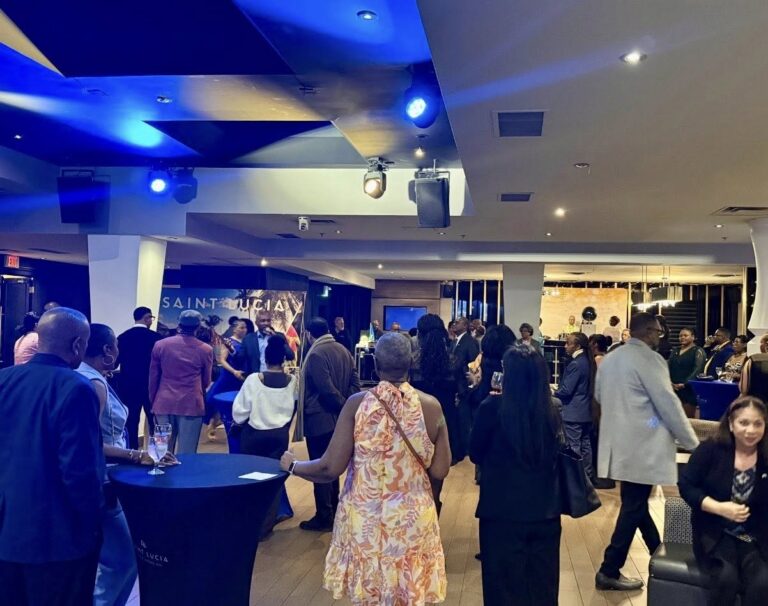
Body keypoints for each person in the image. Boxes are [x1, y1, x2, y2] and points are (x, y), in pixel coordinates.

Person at [281, 332, 450, 605]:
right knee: (409, 591)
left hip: (366, 522)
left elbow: (329, 467)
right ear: (411, 362)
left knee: (370, 594)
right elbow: (440, 470)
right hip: (413, 520)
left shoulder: (357, 404)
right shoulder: (432, 407)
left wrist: (292, 465)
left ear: (375, 364)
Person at [0, 307, 104, 606]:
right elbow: (79, 471)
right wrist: (93, 522)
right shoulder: (76, 388)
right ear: (78, 345)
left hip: (7, 533)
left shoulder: (4, 379)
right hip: (57, 539)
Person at [594, 312, 699, 591]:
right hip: (644, 446)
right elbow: (669, 405)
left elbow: (599, 396)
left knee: (635, 504)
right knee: (633, 506)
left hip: (618, 444)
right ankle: (609, 569)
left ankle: (658, 554)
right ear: (649, 331)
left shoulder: (611, 358)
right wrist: (693, 444)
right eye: (657, 332)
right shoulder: (651, 360)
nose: (659, 337)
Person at [77, 323, 177, 606]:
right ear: (107, 350)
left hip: (96, 479)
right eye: (116, 346)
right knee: (122, 560)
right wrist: (136, 456)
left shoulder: (85, 375)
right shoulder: (94, 384)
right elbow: (87, 443)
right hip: (103, 480)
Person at [470, 345, 562, 605]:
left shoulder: (492, 407)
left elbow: (475, 452)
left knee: (502, 589)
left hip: (500, 511)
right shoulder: (552, 410)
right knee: (542, 588)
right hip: (545, 511)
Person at [678, 396, 768, 606]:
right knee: (726, 578)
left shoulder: (765, 455)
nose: (751, 430)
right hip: (714, 533)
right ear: (731, 424)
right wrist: (718, 507)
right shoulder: (711, 449)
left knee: (762, 582)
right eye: (744, 423)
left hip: (754, 536)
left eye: (758, 424)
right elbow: (686, 485)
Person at [296, 317, 361, 532]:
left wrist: (343, 407)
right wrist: (347, 407)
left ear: (308, 334)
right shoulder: (344, 350)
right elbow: (355, 383)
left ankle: (324, 516)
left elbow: (326, 390)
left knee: (321, 468)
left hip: (320, 419)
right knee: (333, 467)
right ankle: (334, 511)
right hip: (338, 420)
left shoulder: (315, 354)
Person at [233, 336, 297, 537]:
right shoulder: (292, 381)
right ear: (283, 359)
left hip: (253, 435)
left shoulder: (254, 380)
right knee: (273, 481)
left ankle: (248, 523)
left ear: (265, 358)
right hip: (279, 436)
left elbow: (239, 413)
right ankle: (265, 527)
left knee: (250, 479)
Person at [149, 310, 213, 454]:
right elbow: (206, 380)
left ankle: (162, 469)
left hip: (163, 402)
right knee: (187, 452)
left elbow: (153, 377)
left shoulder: (160, 345)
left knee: (162, 451)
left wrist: (153, 400)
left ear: (179, 324)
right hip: (191, 404)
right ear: (198, 327)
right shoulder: (206, 349)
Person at [410, 314, 458, 488]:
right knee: (438, 476)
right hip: (444, 422)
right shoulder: (453, 361)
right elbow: (460, 392)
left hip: (417, 422)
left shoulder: (412, 362)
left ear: (420, 335)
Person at [116, 306, 162, 449]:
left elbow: (115, 363)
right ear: (147, 318)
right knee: (155, 423)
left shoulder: (122, 337)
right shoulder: (157, 339)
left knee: (131, 422)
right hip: (152, 386)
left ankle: (133, 453)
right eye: (151, 318)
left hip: (128, 386)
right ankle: (157, 453)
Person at [555, 332, 595, 480]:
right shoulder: (588, 361)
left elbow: (566, 390)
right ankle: (586, 476)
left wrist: (553, 392)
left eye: (568, 343)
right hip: (586, 410)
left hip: (573, 411)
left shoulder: (576, 364)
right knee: (585, 444)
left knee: (574, 445)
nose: (565, 346)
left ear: (577, 346)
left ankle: (575, 478)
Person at [204, 319, 247, 440]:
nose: (244, 330)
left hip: (241, 376)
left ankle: (224, 426)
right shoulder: (228, 342)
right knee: (218, 401)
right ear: (234, 329)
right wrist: (234, 371)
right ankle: (213, 425)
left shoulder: (246, 342)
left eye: (245, 327)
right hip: (229, 376)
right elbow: (222, 360)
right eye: (241, 327)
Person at [451, 316, 480, 462]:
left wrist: (470, 383)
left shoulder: (470, 341)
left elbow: (473, 364)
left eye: (458, 322)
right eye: (454, 322)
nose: (454, 324)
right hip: (455, 384)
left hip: (464, 386)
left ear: (466, 326)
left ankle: (465, 447)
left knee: (464, 418)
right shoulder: (455, 341)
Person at [237, 310, 295, 375]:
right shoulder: (248, 339)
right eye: (263, 321)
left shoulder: (279, 336)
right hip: (256, 377)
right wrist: (232, 350)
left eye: (268, 320)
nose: (266, 323)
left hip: (275, 376)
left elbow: (290, 356)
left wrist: (276, 338)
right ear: (256, 323)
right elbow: (240, 358)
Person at [668, 326, 707, 418]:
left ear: (693, 337)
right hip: (673, 389)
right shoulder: (675, 350)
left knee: (686, 419)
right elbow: (668, 367)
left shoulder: (698, 351)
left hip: (688, 390)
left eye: (685, 335)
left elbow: (698, 369)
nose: (682, 337)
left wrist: (685, 383)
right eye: (680, 336)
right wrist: (670, 382)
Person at [740, 334, 768, 399]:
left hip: (757, 402)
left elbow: (744, 389)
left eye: (761, 343)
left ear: (765, 345)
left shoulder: (753, 359)